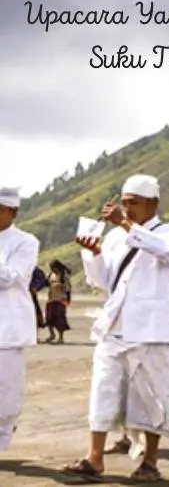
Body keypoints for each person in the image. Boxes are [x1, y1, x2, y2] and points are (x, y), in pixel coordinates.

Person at [61, 175, 169, 482]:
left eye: (134, 204)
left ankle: (150, 462)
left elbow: (168, 253)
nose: (127, 209)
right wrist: (93, 253)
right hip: (115, 325)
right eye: (124, 203)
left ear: (153, 204)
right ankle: (94, 458)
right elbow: (103, 282)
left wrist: (127, 226)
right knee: (103, 390)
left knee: (152, 395)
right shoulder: (115, 237)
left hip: (151, 330)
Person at [0, 186, 40, 452]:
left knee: (5, 395)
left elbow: (9, 278)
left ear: (13, 212)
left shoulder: (26, 242)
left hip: (7, 329)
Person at [44, 259, 72, 344]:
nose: (52, 269)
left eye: (53, 268)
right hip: (51, 298)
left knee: (60, 318)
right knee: (49, 318)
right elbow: (46, 283)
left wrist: (61, 286)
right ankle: (52, 335)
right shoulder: (50, 275)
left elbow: (68, 288)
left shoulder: (64, 275)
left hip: (60, 299)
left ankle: (61, 338)